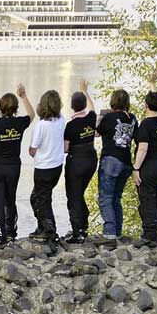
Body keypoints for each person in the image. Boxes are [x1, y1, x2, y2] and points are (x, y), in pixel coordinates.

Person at [0, 84, 34, 247]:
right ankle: (11, 233)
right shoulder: (19, 123)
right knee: (10, 200)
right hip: (13, 167)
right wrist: (24, 96)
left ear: (0, 107)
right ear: (16, 108)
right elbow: (32, 115)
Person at [96, 87, 138, 239]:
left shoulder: (109, 118)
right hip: (126, 162)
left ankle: (109, 233)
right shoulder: (133, 118)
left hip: (111, 161)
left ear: (112, 102)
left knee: (105, 197)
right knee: (116, 198)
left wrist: (99, 118)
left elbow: (96, 132)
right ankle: (117, 232)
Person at [132, 75, 157, 247]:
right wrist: (152, 85)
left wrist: (136, 168)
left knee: (147, 198)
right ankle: (155, 231)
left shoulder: (145, 125)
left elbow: (142, 149)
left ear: (145, 105)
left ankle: (149, 234)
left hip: (149, 165)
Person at [27, 89, 66, 246]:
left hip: (43, 168)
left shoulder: (41, 126)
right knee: (40, 198)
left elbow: (32, 149)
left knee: (41, 200)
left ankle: (50, 231)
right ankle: (42, 226)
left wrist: (32, 152)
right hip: (57, 167)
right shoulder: (61, 120)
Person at [62, 80, 98, 243]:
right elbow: (92, 108)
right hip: (91, 159)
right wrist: (84, 90)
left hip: (76, 161)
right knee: (80, 193)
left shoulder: (70, 126)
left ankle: (78, 232)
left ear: (71, 106)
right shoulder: (91, 117)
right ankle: (83, 225)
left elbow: (65, 148)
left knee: (73, 196)